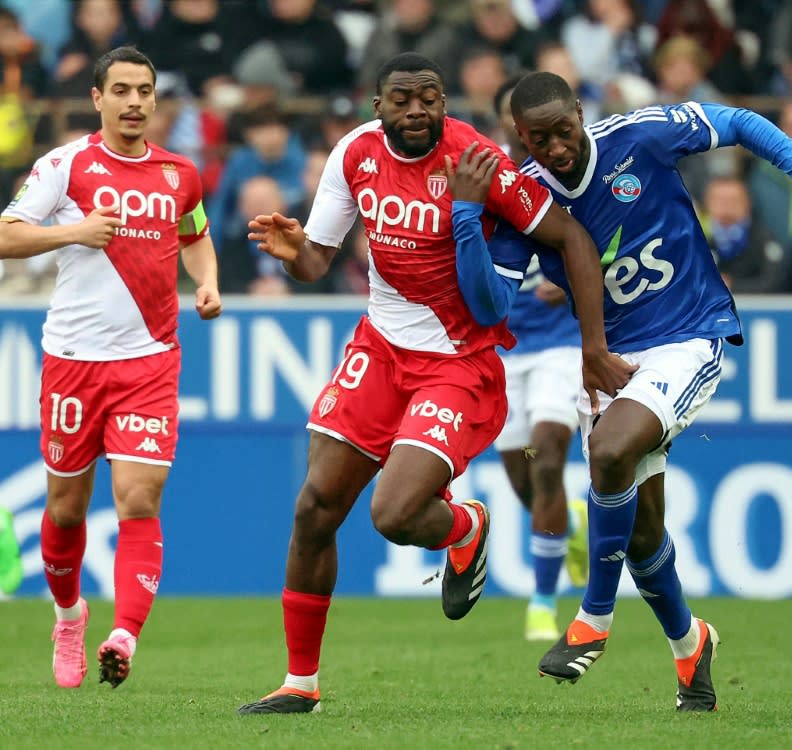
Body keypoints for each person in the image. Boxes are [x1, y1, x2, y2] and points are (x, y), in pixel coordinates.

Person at [236, 52, 633, 715]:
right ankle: (299, 684)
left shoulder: (476, 162)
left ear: (445, 102)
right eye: (402, 98)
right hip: (380, 348)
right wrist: (294, 250)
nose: (417, 109)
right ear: (378, 106)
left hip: (457, 362)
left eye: (430, 96)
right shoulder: (354, 155)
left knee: (392, 515)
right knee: (313, 510)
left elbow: (572, 238)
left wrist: (594, 344)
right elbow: (317, 259)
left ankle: (462, 526)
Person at [487, 71, 792, 711]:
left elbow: (741, 122)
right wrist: (470, 220)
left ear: (580, 112)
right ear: (518, 137)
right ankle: (691, 646)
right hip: (614, 361)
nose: (555, 148)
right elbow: (494, 297)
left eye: (563, 130)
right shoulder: (523, 199)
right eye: (537, 139)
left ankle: (594, 619)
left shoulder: (640, 135)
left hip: (688, 334)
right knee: (641, 532)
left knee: (610, 451)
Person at [0, 45, 222, 689]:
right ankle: (69, 616)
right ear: (97, 98)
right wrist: (74, 232)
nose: (133, 102)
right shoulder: (63, 166)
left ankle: (124, 635)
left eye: (144, 91)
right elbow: (7, 235)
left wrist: (205, 282)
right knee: (66, 509)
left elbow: (196, 232)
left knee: (139, 497)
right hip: (72, 362)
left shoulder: (180, 172)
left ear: (155, 100)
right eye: (120, 90)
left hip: (150, 361)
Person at [493, 76, 589, 643]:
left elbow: (603, 239)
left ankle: (543, 601)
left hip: (560, 344)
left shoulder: (566, 179)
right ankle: (569, 525)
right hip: (505, 352)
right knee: (524, 475)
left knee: (549, 456)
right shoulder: (487, 184)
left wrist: (573, 273)